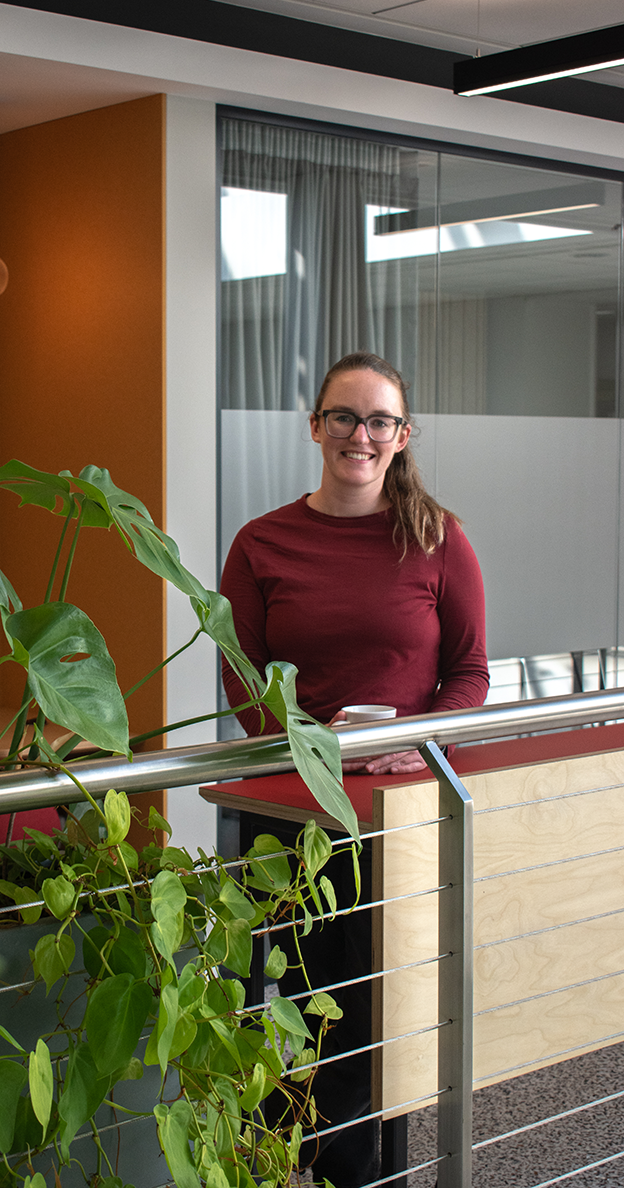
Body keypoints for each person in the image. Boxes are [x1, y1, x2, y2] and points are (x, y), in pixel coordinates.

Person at [220, 350, 489, 1186]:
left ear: (402, 437)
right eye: (344, 417)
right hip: (292, 811)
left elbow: (471, 674)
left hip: (400, 814)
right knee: (299, 998)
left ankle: (357, 1170)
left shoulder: (439, 538)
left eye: (379, 421)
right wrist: (305, 744)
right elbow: (242, 673)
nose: (360, 436)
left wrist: (421, 739)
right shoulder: (262, 542)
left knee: (378, 1012)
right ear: (316, 427)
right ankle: (303, 1152)